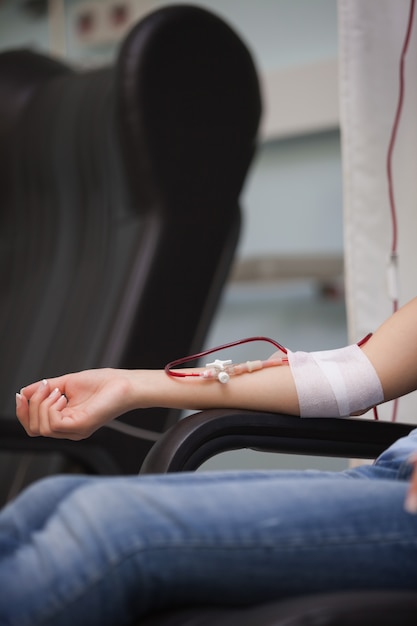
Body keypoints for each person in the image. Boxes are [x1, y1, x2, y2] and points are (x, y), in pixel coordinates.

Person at [2, 296, 417, 625]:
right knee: (51, 501)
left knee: (110, 527)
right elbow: (350, 378)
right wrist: (127, 385)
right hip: (392, 476)